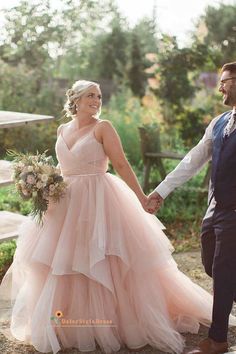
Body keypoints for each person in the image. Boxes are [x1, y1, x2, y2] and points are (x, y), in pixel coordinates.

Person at [0, 80, 231, 354]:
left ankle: (117, 323)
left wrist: (142, 198)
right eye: (90, 96)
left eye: (98, 96)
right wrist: (41, 184)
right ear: (75, 99)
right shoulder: (62, 129)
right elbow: (62, 168)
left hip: (100, 200)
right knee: (66, 262)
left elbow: (121, 164)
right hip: (65, 203)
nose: (96, 100)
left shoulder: (103, 127)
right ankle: (69, 323)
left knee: (106, 259)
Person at [147, 61, 236, 354]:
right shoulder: (219, 122)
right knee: (211, 265)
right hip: (214, 209)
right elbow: (192, 160)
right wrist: (161, 191)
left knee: (224, 272)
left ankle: (217, 339)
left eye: (225, 81)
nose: (220, 86)